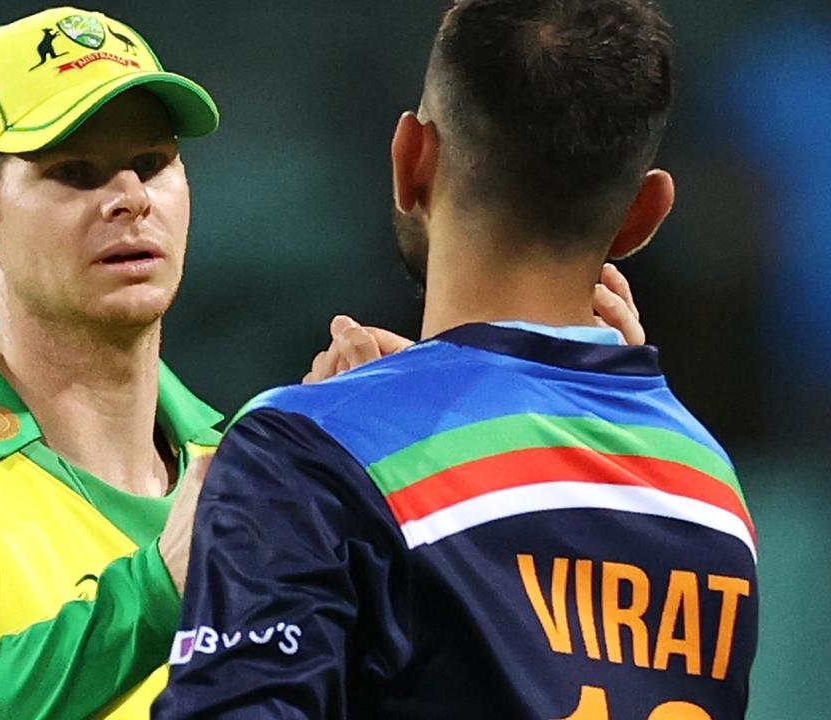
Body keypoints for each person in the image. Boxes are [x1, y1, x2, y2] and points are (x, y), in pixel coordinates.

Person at [0, 6, 647, 720]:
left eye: (151, 162)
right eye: (75, 173)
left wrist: (571, 454)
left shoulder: (259, 469)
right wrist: (162, 588)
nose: (128, 197)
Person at [155, 1, 757, 718]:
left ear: (412, 158)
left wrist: (331, 449)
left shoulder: (308, 451)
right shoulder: (711, 489)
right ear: (645, 215)